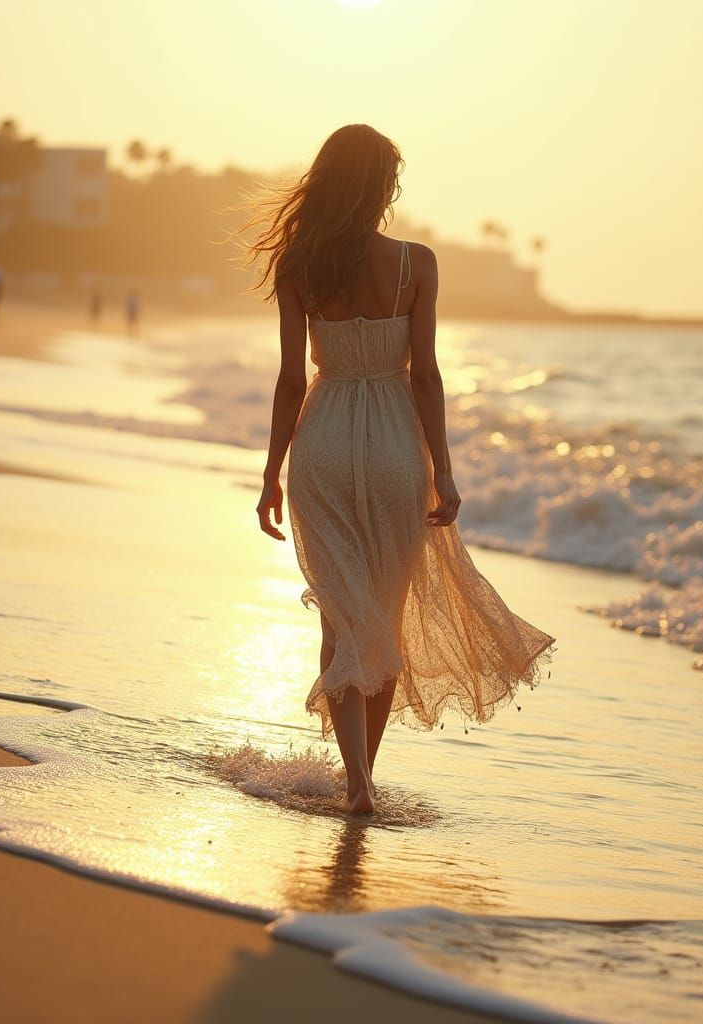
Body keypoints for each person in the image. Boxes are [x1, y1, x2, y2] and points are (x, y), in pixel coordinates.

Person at [247, 125, 555, 815]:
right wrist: (443, 470)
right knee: (379, 621)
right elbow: (426, 377)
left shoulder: (300, 264)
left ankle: (357, 780)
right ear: (383, 185)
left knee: (340, 618)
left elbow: (292, 382)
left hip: (323, 443)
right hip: (394, 448)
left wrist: (270, 472)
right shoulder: (417, 265)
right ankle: (363, 780)